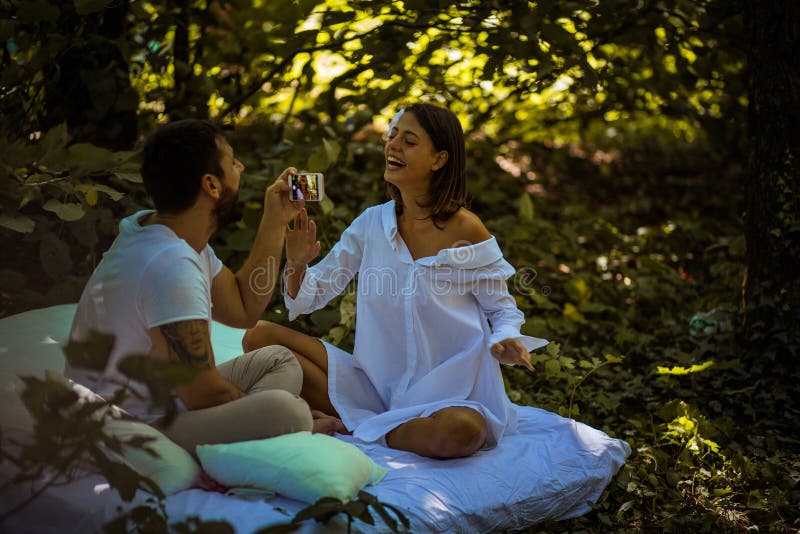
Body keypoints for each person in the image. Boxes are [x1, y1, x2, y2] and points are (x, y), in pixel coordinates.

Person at [242, 104, 547, 459]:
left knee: (462, 433)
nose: (393, 145)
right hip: (373, 387)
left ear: (438, 159)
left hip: (449, 394)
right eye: (392, 136)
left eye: (409, 140)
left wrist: (505, 339)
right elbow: (310, 296)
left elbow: (502, 308)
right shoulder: (371, 223)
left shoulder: (466, 230)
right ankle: (373, 422)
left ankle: (366, 429)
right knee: (258, 335)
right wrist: (296, 262)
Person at [66, 119, 343, 453]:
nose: (239, 167)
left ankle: (259, 436)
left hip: (171, 396)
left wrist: (275, 219)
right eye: (232, 162)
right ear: (212, 185)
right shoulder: (171, 265)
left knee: (280, 361)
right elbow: (201, 393)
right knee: (289, 410)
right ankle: (264, 440)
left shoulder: (166, 233)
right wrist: (280, 415)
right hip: (135, 424)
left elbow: (243, 308)